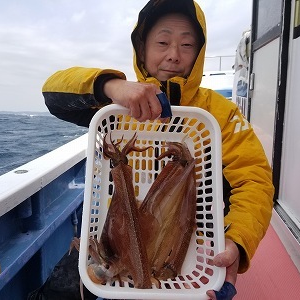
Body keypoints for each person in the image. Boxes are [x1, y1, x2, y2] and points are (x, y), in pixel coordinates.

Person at [42, 0, 274, 299]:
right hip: (113, 236)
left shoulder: (221, 113)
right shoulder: (119, 105)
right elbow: (53, 94)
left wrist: (238, 242)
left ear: (199, 52)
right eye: (162, 42)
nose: (174, 55)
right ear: (142, 48)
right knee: (59, 292)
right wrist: (110, 86)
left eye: (187, 45)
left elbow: (254, 180)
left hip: (185, 247)